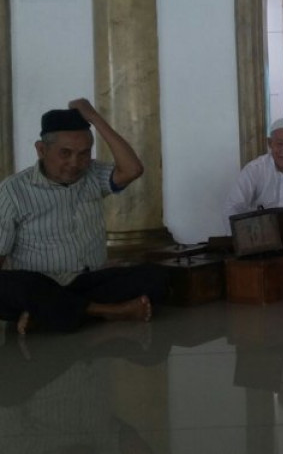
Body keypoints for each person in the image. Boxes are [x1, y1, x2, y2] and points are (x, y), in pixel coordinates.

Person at [0, 99, 168, 334]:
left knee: (157, 277)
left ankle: (49, 314)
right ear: (41, 150)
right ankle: (110, 311)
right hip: (40, 282)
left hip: (85, 281)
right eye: (65, 153)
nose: (75, 163)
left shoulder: (93, 174)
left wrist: (95, 118)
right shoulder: (13, 190)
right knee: (16, 287)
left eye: (84, 153)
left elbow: (133, 169)